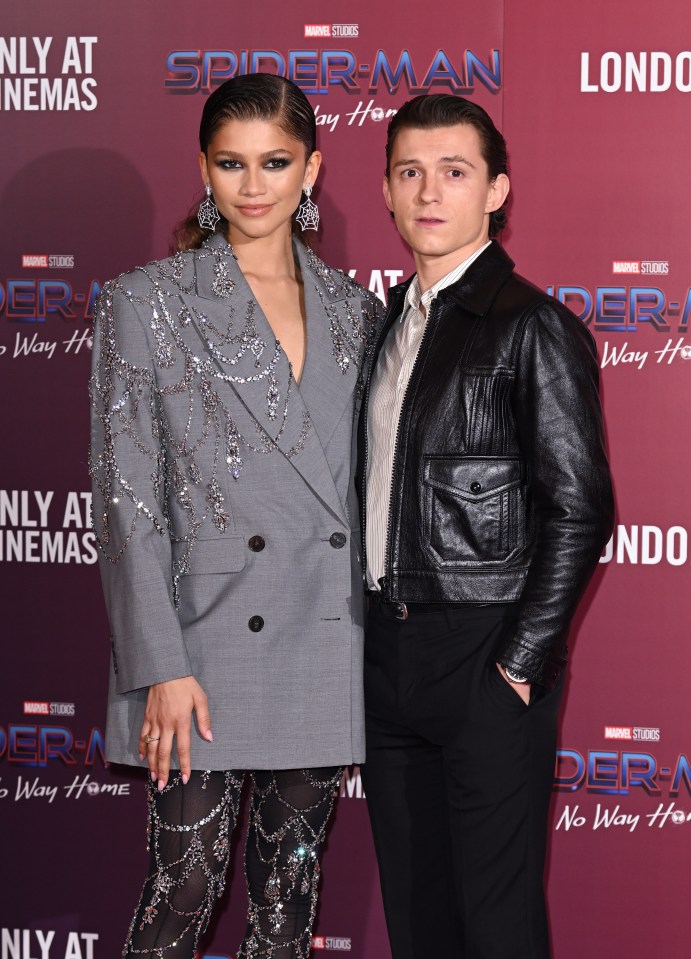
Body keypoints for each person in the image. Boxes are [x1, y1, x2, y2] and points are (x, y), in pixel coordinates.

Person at [89, 73, 380, 958]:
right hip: (199, 649)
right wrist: (158, 666)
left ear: (312, 170)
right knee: (183, 887)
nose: (254, 186)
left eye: (276, 162)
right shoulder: (146, 303)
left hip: (323, 638)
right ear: (204, 172)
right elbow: (126, 496)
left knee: (287, 898)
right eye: (231, 163)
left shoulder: (358, 312)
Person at [357, 94, 614, 959]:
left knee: (495, 924)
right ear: (387, 192)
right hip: (386, 659)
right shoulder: (386, 328)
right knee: (417, 916)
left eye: (454, 172)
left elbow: (579, 506)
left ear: (495, 191)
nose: (429, 191)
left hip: (485, 658)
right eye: (408, 172)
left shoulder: (533, 326)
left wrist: (519, 661)